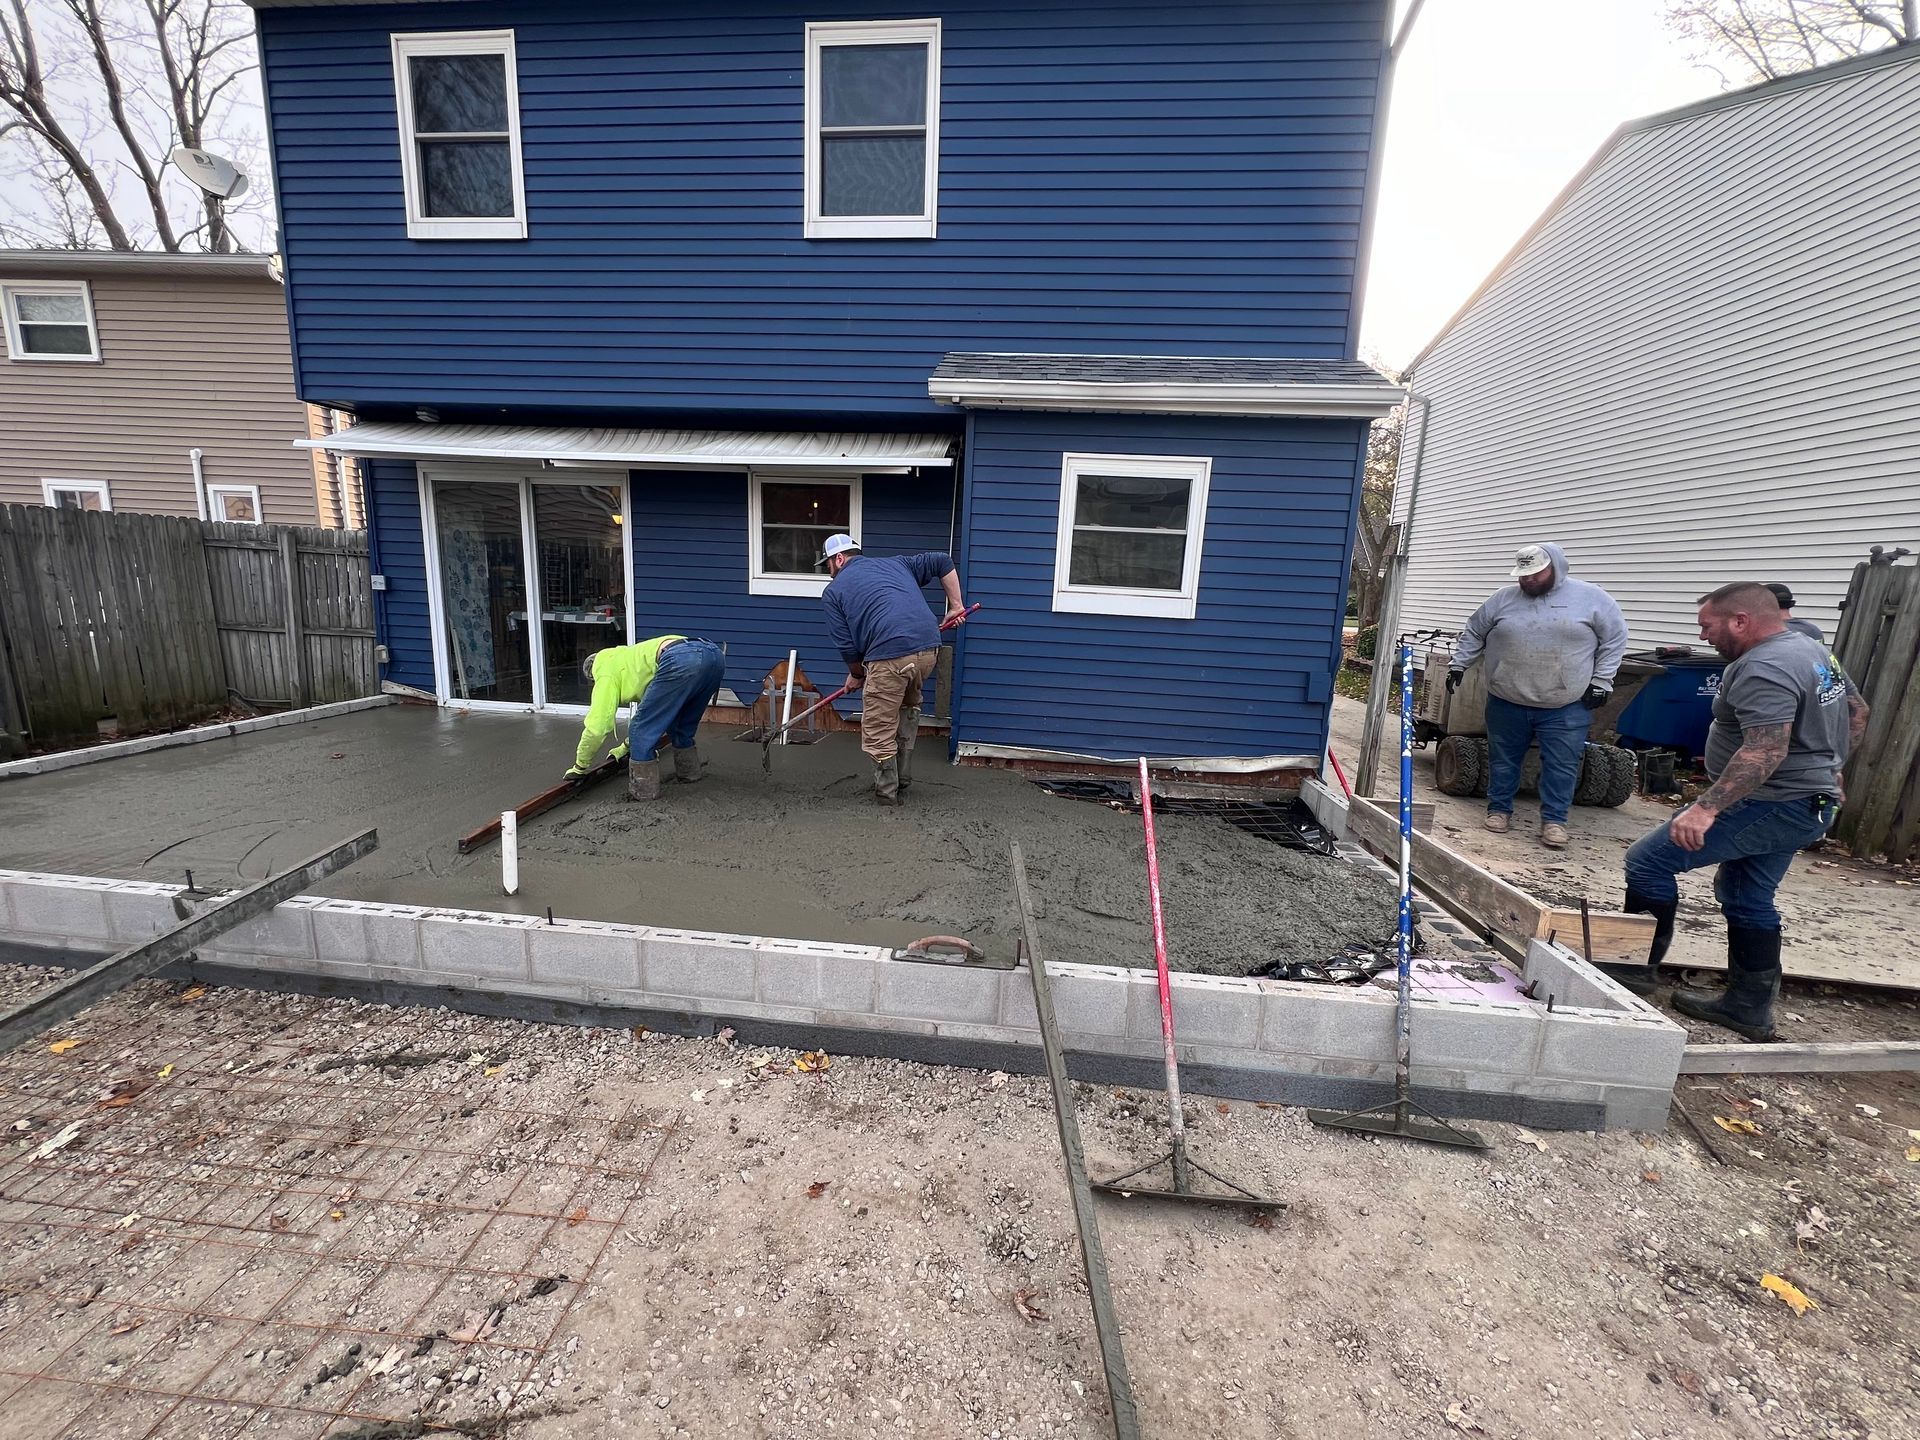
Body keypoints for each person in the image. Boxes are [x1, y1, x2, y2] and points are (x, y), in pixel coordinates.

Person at [1606, 583, 1868, 1040]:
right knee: (1748, 897)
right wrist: (1831, 766)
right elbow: (1857, 711)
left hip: (1771, 801)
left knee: (1647, 863)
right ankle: (1747, 1008)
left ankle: (1632, 974)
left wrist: (1706, 808)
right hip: (1807, 798)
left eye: (1708, 627)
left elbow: (1765, 749)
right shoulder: (1809, 648)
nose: (1704, 637)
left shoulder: (1764, 666)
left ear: (1740, 621)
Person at [1446, 542, 1628, 849]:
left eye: (1535, 574)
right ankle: (1499, 810)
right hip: (1507, 698)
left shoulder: (1592, 599)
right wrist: (1459, 664)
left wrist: (1602, 681)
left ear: (1555, 567)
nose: (1528, 580)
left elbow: (1614, 639)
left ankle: (1555, 821)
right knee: (1503, 760)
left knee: (1562, 764)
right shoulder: (1502, 599)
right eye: (1523, 575)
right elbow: (1475, 631)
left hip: (1566, 703)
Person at [819, 535, 968, 805]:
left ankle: (887, 794)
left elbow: (847, 646)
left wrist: (857, 674)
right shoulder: (897, 564)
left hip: (891, 657)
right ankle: (904, 779)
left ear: (839, 559)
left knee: (878, 725)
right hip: (928, 650)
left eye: (827, 565)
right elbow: (942, 561)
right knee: (907, 708)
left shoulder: (834, 592)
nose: (829, 573)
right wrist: (956, 606)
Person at [565, 636, 727, 801]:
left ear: (592, 675)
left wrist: (580, 766)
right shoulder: (627, 660)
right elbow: (656, 714)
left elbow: (597, 728)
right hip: (714, 656)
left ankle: (643, 792)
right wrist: (625, 747)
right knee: (680, 725)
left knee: (640, 729)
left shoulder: (604, 673)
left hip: (682, 658)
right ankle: (690, 774)